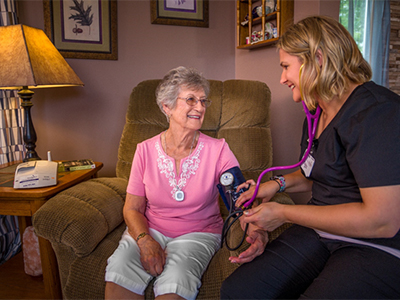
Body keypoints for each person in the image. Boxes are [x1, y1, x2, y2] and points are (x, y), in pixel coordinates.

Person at [220, 15, 400, 299]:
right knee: (239, 291)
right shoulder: (316, 112)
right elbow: (312, 172)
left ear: (317, 58)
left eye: (286, 67)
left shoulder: (377, 114)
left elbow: (383, 220)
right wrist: (272, 185)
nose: (282, 79)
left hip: (374, 244)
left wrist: (282, 213)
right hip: (321, 231)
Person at [104, 66, 240, 300]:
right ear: (166, 106)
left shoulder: (219, 150)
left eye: (203, 100)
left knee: (176, 281)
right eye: (190, 99)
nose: (200, 107)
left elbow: (239, 199)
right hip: (150, 229)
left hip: (199, 233)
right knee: (119, 270)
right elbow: (132, 208)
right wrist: (144, 240)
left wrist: (255, 223)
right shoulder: (144, 151)